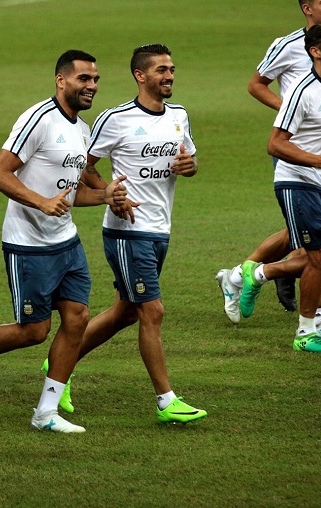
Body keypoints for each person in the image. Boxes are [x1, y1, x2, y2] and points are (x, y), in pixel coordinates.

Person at [0, 50, 127, 434]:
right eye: (84, 79)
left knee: (77, 318)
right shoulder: (38, 118)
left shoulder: (81, 129)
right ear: (61, 80)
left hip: (66, 242)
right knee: (33, 332)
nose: (92, 86)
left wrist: (104, 197)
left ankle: (46, 412)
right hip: (28, 243)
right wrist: (40, 202)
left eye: (96, 80)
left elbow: (70, 197)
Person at [46, 44, 207, 424]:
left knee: (126, 312)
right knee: (152, 311)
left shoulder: (179, 115)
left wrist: (190, 166)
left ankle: (58, 365)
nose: (169, 76)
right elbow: (81, 163)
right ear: (140, 76)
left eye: (171, 69)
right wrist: (108, 194)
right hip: (126, 232)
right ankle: (167, 401)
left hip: (161, 229)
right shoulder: (115, 119)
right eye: (161, 70)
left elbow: (192, 160)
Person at [216, 0, 321, 342]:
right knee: (315, 251)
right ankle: (313, 322)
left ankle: (245, 275)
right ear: (308, 8)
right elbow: (256, 85)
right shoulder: (289, 48)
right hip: (298, 160)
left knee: (319, 253)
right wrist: (292, 112)